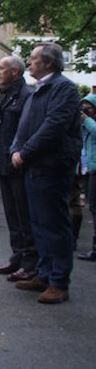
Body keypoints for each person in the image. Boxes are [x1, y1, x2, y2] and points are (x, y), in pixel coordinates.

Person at [11, 43, 82, 304]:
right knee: (39, 224)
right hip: (35, 167)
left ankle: (58, 281)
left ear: (48, 63)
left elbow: (53, 127)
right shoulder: (38, 90)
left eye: (33, 59)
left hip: (51, 167)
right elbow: (24, 126)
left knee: (54, 224)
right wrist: (15, 149)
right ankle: (44, 273)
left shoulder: (63, 88)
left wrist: (24, 152)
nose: (29, 63)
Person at [0, 56, 37, 282]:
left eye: (1, 69)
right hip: (3, 166)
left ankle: (29, 262)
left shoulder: (26, 96)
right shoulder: (5, 94)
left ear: (15, 72)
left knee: (23, 215)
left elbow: (27, 131)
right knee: (11, 216)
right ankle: (17, 256)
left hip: (17, 167)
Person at [77, 93, 96, 261]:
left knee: (94, 208)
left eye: (88, 108)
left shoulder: (91, 123)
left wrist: (87, 119)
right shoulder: (84, 125)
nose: (85, 111)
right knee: (83, 205)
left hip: (94, 169)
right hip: (84, 170)